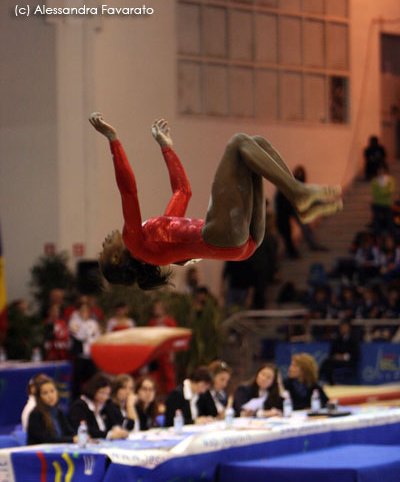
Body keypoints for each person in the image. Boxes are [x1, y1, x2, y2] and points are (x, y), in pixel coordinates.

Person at [89, 113, 342, 290]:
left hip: (241, 245)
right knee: (238, 142)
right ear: (116, 259)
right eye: (104, 250)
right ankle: (298, 194)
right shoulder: (134, 244)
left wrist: (167, 148)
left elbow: (182, 192)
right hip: (221, 235)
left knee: (257, 144)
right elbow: (128, 192)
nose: (104, 243)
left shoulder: (151, 245)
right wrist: (114, 141)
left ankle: (299, 198)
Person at [69, 373, 129, 439]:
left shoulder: (105, 405)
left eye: (107, 394)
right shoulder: (79, 406)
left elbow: (114, 422)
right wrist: (110, 435)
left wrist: (117, 429)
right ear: (93, 389)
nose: (105, 397)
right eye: (102, 393)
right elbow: (86, 429)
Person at [27, 378, 77, 445]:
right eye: (45, 393)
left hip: (59, 449)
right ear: (39, 397)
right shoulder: (35, 415)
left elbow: (70, 432)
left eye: (52, 391)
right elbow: (47, 440)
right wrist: (72, 439)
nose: (50, 396)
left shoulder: (59, 412)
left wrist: (78, 437)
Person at [147, 300, 178, 394]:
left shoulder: (170, 322)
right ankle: (156, 395)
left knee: (169, 375)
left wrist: (172, 353)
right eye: (155, 308)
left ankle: (172, 395)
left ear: (164, 309)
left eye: (158, 308)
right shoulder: (152, 322)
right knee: (155, 375)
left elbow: (173, 339)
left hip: (166, 352)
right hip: (155, 353)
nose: (156, 310)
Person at [319, 321, 360, 385]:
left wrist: (344, 357)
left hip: (349, 362)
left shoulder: (353, 339)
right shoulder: (336, 339)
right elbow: (331, 353)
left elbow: (356, 355)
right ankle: (328, 382)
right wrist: (336, 356)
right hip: (336, 362)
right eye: (342, 327)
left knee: (328, 362)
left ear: (349, 328)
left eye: (345, 327)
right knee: (328, 363)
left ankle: (320, 379)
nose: (343, 329)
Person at [370, 163, 395, 234]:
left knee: (389, 221)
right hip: (376, 203)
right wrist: (384, 192)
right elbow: (374, 193)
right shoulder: (375, 181)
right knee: (377, 221)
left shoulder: (390, 180)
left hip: (387, 203)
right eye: (379, 170)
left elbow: (390, 191)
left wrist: (380, 192)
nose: (380, 171)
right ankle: (377, 235)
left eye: (382, 170)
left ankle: (392, 236)